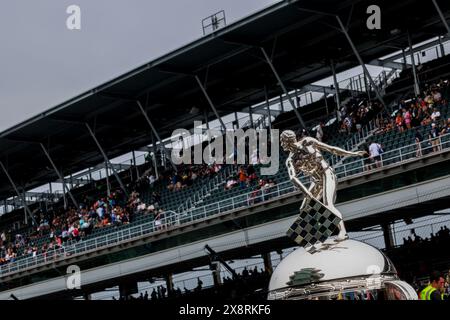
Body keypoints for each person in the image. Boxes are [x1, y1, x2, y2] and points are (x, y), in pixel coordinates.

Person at [280, 130, 366, 240]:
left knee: (328, 204)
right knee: (304, 208)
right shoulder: (290, 160)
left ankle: (343, 232)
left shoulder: (308, 142)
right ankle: (314, 234)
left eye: (282, 142)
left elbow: (331, 149)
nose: (281, 145)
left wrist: (352, 153)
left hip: (326, 173)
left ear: (287, 141)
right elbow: (293, 178)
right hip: (316, 181)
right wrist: (307, 193)